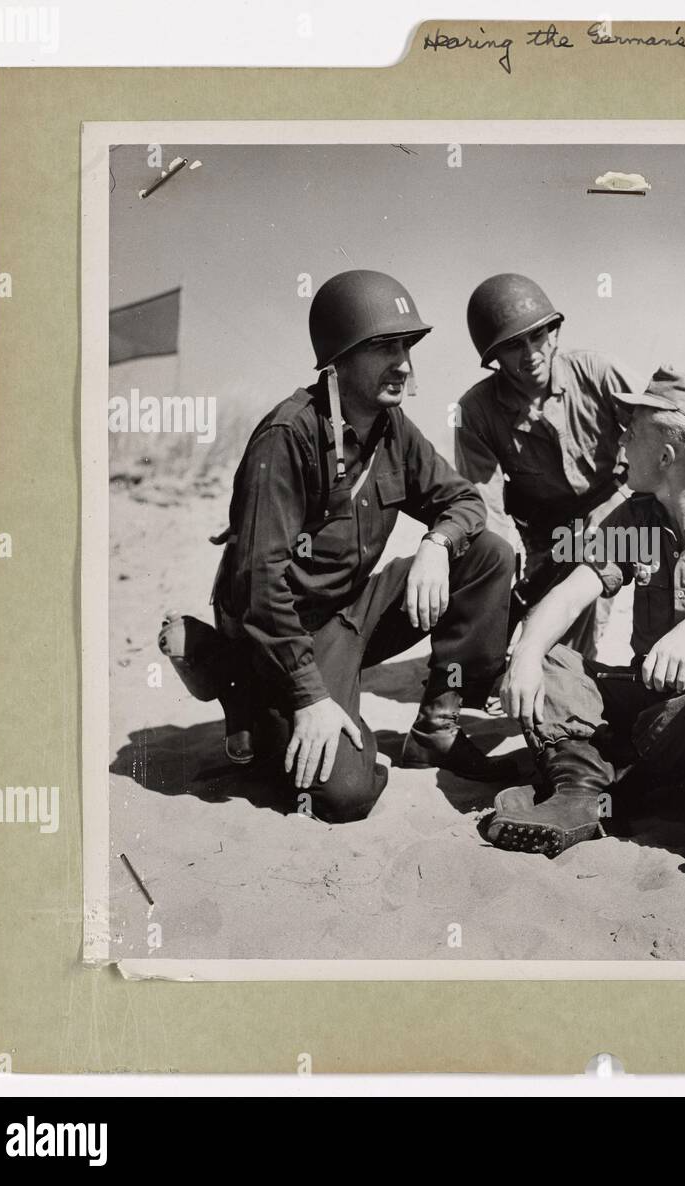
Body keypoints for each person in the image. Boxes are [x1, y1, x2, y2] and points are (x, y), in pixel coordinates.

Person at [159, 269, 528, 824]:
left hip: (352, 613)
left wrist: (435, 542)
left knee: (487, 557)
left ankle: (437, 730)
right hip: (284, 630)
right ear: (338, 360)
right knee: (344, 794)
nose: (403, 362)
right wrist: (310, 699)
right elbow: (259, 587)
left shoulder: (392, 427)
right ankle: (234, 673)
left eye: (406, 345)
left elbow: (464, 503)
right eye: (383, 347)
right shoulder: (287, 437)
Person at [491, 367, 685, 857]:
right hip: (647, 691)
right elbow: (574, 592)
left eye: (631, 434)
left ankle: (617, 787)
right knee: (554, 662)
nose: (621, 444)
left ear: (665, 455)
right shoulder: (638, 517)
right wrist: (525, 652)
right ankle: (580, 794)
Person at [454, 274, 640, 658]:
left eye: (537, 337)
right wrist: (494, 578)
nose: (530, 354)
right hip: (547, 536)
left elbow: (657, 433)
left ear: (554, 334)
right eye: (512, 346)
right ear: (493, 359)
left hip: (620, 515)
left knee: (593, 591)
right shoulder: (475, 411)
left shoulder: (597, 372)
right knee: (553, 640)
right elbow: (483, 507)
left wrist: (619, 504)